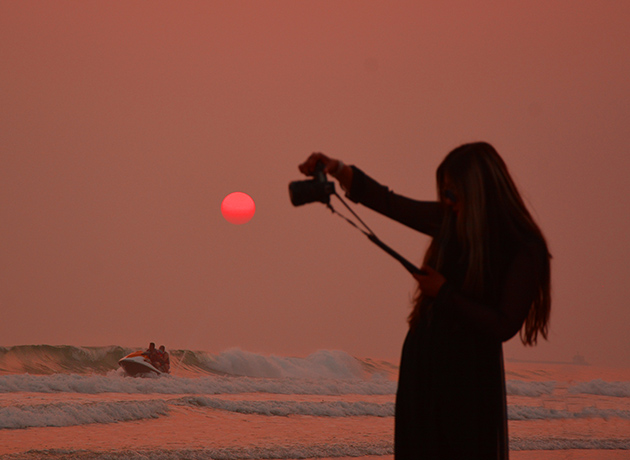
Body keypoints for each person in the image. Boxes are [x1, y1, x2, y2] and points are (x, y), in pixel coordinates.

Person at [299, 143, 551, 460]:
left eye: (453, 193)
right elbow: (390, 203)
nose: (448, 202)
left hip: (468, 380)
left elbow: (505, 325)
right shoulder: (452, 222)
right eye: (444, 193)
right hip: (423, 367)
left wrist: (444, 293)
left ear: (478, 192)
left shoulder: (522, 247)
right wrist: (337, 168)